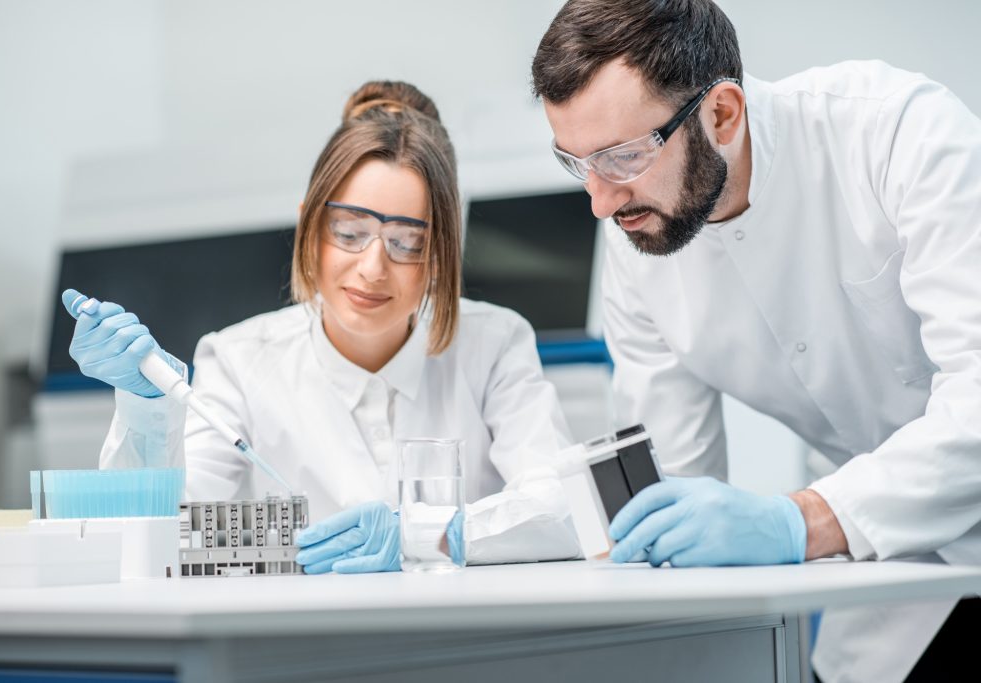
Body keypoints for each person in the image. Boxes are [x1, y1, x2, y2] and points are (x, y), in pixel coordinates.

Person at [531, 1, 981, 681]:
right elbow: (674, 489)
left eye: (622, 155)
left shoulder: (899, 136)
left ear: (722, 115)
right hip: (886, 566)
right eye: (578, 162)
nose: (599, 200)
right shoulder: (638, 242)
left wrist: (799, 519)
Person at [62, 80, 581, 574]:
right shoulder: (239, 361)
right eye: (350, 232)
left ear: (441, 256)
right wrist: (146, 409)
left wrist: (426, 534)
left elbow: (564, 508)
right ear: (310, 227)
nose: (373, 268)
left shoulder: (494, 345)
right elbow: (163, 533)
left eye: (407, 243)